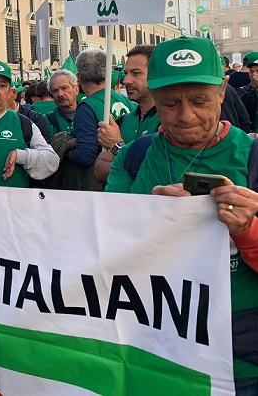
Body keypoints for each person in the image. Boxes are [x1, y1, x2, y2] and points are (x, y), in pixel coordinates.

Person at [104, 36, 258, 393]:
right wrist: (152, 220)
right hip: (158, 350)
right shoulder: (136, 156)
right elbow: (107, 252)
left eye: (199, 100)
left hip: (240, 360)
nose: (186, 115)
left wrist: (248, 228)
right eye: (170, 103)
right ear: (153, 100)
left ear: (222, 91)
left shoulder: (251, 156)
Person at [0, 61, 58, 187]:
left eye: (2, 85)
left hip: (12, 204)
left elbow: (51, 161)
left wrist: (21, 156)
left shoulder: (24, 124)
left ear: (10, 92)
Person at [65, 49, 134, 190]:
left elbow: (86, 156)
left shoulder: (87, 107)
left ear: (78, 78)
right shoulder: (130, 102)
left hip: (106, 183)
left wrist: (63, 151)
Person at [95, 45, 159, 183]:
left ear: (156, 74)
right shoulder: (123, 121)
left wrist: (117, 145)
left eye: (136, 73)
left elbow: (156, 171)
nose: (126, 80)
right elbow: (99, 171)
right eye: (126, 73)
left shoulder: (170, 123)